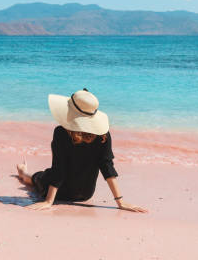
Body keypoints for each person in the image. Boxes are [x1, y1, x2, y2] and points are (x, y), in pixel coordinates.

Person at [16, 89, 147, 212]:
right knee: (44, 175)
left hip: (59, 192)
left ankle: (23, 173)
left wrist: (49, 201)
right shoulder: (103, 135)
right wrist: (120, 202)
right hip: (85, 194)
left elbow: (58, 169)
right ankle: (24, 173)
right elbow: (107, 167)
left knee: (39, 177)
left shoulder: (61, 132)